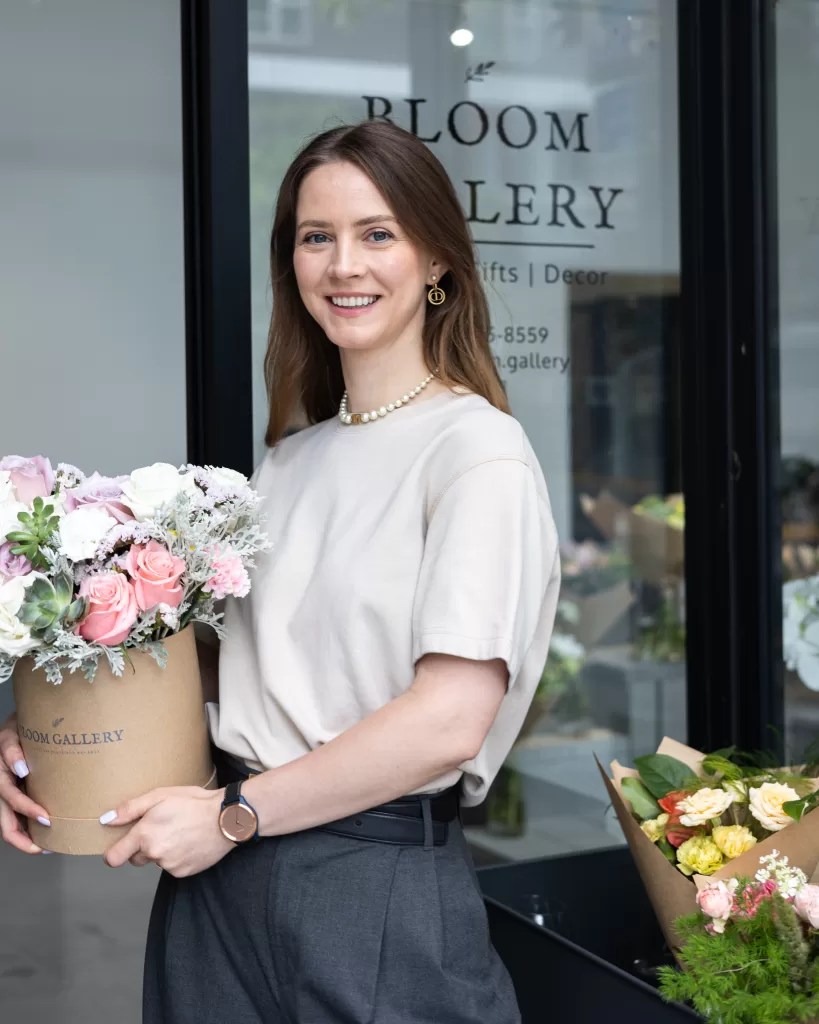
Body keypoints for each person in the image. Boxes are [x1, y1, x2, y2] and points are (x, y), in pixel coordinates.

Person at [0, 120, 560, 1023]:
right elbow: (228, 668)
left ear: (437, 264)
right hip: (223, 875)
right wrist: (49, 736)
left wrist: (234, 816)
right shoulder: (292, 462)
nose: (344, 264)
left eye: (377, 233)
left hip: (364, 882)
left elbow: (448, 722)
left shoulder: (475, 452)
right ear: (291, 264)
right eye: (316, 237)